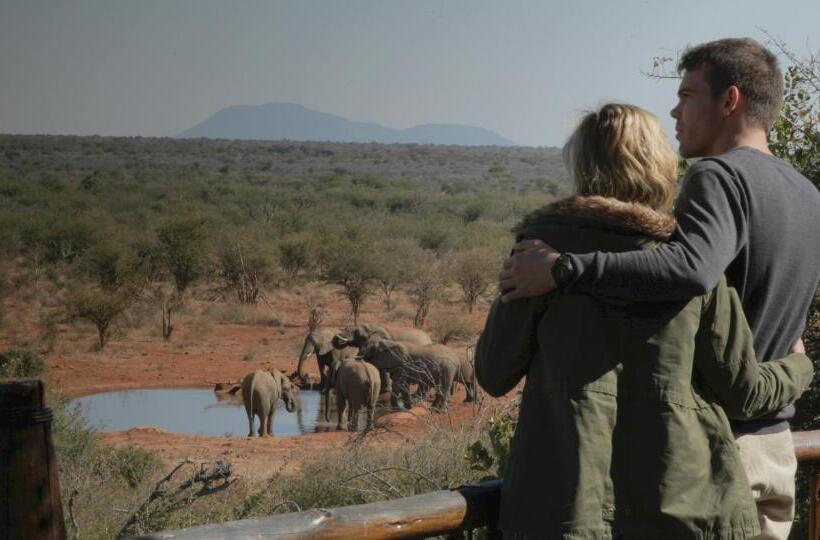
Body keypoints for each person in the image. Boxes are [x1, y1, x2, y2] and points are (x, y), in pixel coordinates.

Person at [497, 38, 820, 539]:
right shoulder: (807, 193)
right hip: (776, 441)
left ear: (729, 100)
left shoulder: (718, 176)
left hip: (711, 455)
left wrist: (564, 268)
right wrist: (798, 363)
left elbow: (691, 270)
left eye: (687, 95)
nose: (675, 110)